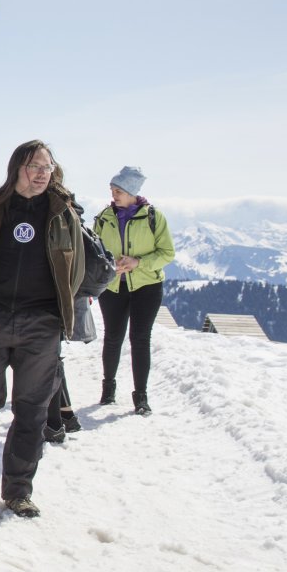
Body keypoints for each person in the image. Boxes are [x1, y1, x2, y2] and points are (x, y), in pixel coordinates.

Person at [0, 140, 85, 518]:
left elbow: (73, 271)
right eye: (34, 166)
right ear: (16, 169)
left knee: (31, 411)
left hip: (41, 325)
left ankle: (17, 490)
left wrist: (56, 315)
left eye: (47, 167)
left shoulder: (63, 215)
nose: (42, 173)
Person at [92, 166, 175, 416]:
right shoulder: (103, 217)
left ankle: (141, 397)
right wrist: (108, 266)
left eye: (119, 190)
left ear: (132, 192)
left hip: (147, 287)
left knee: (140, 339)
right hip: (114, 286)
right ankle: (108, 389)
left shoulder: (154, 217)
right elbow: (95, 252)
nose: (114, 194)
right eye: (112, 190)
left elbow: (167, 253)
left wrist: (139, 263)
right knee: (113, 337)